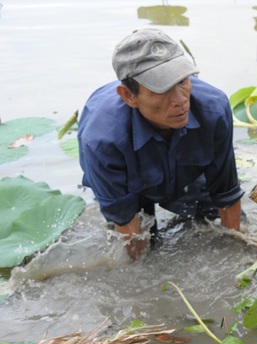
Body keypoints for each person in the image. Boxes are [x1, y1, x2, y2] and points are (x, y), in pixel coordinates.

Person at [78, 28, 244, 260]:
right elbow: (125, 220)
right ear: (128, 96)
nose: (180, 100)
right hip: (130, 179)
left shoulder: (213, 110)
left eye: (182, 81)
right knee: (142, 246)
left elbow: (226, 192)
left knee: (218, 226)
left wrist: (233, 257)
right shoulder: (102, 140)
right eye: (162, 88)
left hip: (186, 172)